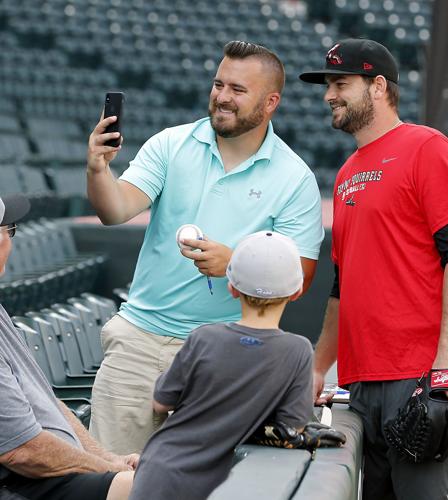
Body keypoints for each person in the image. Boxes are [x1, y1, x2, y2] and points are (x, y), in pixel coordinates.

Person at [86, 40, 324, 455]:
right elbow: (115, 209)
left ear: (270, 102)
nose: (222, 97)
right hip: (137, 342)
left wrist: (235, 264)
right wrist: (97, 169)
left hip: (226, 354)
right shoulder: (169, 144)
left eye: (237, 90)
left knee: (198, 485)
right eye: (219, 84)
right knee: (109, 476)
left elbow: (299, 277)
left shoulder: (295, 178)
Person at [300, 39, 448, 500]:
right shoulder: (344, 175)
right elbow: (344, 284)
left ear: (378, 86)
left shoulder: (427, 148)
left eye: (341, 83)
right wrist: (321, 367)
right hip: (363, 383)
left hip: (422, 374)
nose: (328, 95)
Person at [127, 231, 314, 500]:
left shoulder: (204, 337)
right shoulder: (298, 350)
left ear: (232, 287)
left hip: (160, 470)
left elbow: (161, 402)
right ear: (296, 292)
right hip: (218, 485)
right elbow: (292, 426)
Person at [0, 194, 138, 500]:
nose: (11, 240)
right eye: (7, 229)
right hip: (22, 483)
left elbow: (45, 400)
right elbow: (22, 452)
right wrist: (108, 472)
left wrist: (109, 460)